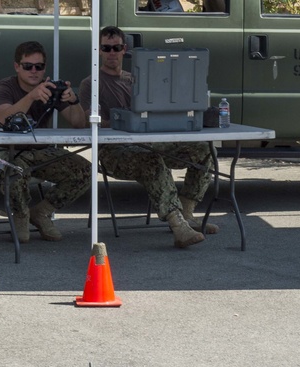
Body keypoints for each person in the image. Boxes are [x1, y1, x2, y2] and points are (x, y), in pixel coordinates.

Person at [76, 26, 217, 249]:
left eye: (116, 47)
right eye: (106, 48)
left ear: (124, 50)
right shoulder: (90, 83)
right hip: (114, 151)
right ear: (99, 51)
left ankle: (187, 211)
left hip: (150, 142)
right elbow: (88, 121)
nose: (111, 52)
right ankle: (177, 224)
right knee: (150, 160)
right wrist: (123, 122)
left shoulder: (138, 80)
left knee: (204, 149)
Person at [0, 41, 91, 242]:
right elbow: (3, 117)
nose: (34, 71)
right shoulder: (4, 87)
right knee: (14, 172)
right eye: (28, 66)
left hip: (39, 152)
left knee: (84, 171)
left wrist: (73, 100)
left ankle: (41, 212)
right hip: (8, 151)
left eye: (39, 66)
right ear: (17, 66)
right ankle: (20, 215)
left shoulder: (48, 88)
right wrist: (31, 97)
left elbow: (79, 123)